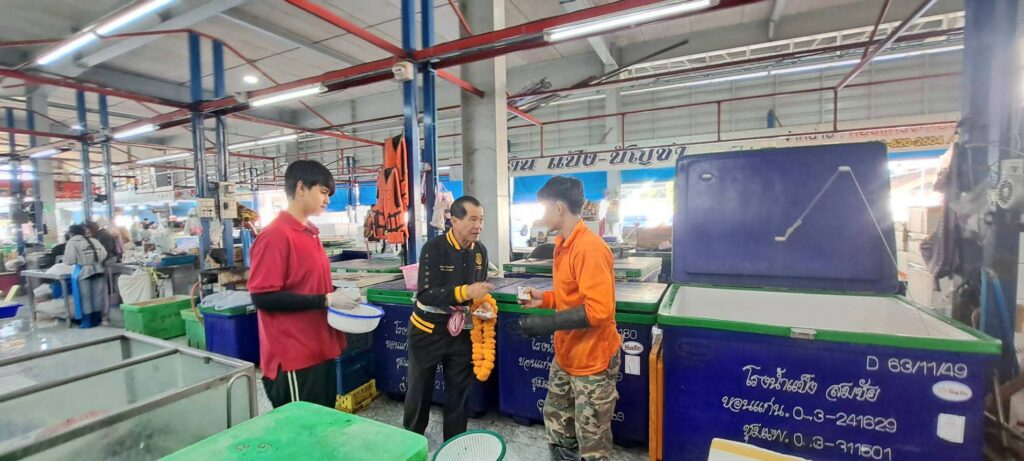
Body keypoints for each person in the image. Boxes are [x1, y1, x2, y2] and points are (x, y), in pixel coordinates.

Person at [517, 176, 619, 461]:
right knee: (558, 423)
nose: (542, 215)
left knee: (592, 440)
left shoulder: (590, 248)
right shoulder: (563, 244)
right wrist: (545, 299)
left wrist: (547, 323)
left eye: (544, 208)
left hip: (593, 359)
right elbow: (573, 296)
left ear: (559, 208)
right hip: (567, 353)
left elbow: (598, 310)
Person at [247, 160, 356, 409]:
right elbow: (262, 297)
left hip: (320, 348)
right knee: (302, 428)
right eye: (323, 192)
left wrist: (338, 294)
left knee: (322, 423)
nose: (327, 200)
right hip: (295, 356)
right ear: (301, 188)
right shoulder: (276, 236)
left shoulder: (309, 233)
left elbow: (307, 285)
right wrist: (325, 300)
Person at [405, 196, 493, 442]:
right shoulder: (434, 249)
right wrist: (466, 292)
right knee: (420, 391)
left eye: (481, 219)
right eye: (473, 219)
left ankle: (455, 445)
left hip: (461, 333)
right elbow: (426, 294)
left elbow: (477, 293)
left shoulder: (480, 251)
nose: (478, 226)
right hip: (427, 332)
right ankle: (411, 444)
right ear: (454, 220)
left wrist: (482, 305)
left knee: (459, 394)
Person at [63, 224, 108, 328]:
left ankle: (87, 322)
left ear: (71, 233)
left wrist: (80, 261)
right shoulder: (94, 241)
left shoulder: (72, 242)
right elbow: (104, 254)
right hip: (99, 270)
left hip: (84, 272)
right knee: (97, 296)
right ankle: (97, 320)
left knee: (85, 298)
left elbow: (69, 260)